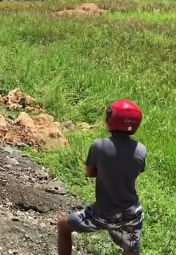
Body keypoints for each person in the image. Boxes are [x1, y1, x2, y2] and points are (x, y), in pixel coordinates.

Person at [57, 99, 146, 255]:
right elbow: (134, 173)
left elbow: (90, 172)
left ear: (111, 119)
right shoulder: (141, 150)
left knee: (64, 225)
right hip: (131, 214)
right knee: (131, 248)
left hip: (103, 214)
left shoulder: (99, 145)